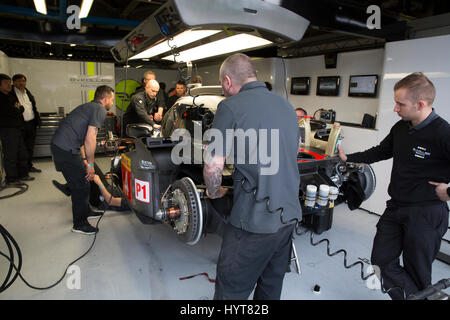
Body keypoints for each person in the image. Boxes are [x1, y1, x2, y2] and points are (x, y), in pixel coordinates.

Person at [337, 72, 450, 300]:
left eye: (400, 104)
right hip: (396, 207)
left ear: (420, 104)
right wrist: (349, 158)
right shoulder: (401, 128)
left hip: (425, 213)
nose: (396, 109)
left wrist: (448, 192)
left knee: (417, 272)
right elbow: (380, 151)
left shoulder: (442, 133)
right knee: (380, 261)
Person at [203, 53, 301, 300]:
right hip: (288, 215)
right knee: (270, 285)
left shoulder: (229, 106)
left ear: (227, 81)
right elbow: (294, 150)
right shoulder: (287, 106)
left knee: (231, 288)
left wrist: (214, 192)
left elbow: (213, 164)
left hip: (254, 221)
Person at [51, 85, 115, 235]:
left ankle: (86, 210)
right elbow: (90, 138)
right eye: (112, 99)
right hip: (65, 149)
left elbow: (80, 135)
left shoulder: (89, 107)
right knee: (81, 186)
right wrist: (91, 164)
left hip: (64, 147)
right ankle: (79, 224)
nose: (112, 103)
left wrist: (85, 160)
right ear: (105, 99)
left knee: (84, 180)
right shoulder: (100, 109)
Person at [0, 73, 34, 184]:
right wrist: (17, 110)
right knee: (11, 155)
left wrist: (17, 109)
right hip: (7, 130)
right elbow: (13, 111)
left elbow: (21, 108)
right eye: (6, 83)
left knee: (22, 153)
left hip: (17, 128)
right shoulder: (1, 98)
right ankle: (11, 178)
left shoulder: (10, 96)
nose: (9, 85)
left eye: (9, 82)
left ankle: (23, 174)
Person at [11, 74, 41, 173]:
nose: (21, 83)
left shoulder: (27, 92)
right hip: (20, 125)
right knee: (21, 150)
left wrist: (38, 121)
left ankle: (29, 166)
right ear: (13, 82)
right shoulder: (11, 94)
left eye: (23, 81)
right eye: (18, 81)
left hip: (31, 124)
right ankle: (21, 170)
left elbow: (33, 107)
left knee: (30, 147)